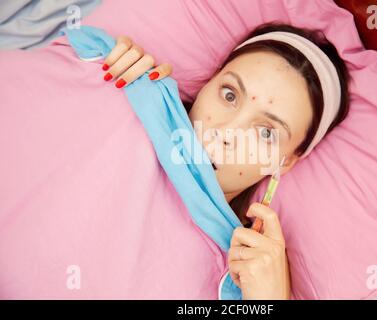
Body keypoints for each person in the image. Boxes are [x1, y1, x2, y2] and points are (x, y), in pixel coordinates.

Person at [101, 23, 350, 299]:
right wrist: (103, 62)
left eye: (267, 132)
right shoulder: (128, 95)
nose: (225, 133)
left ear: (286, 162)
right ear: (210, 82)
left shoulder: (239, 283)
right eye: (230, 94)